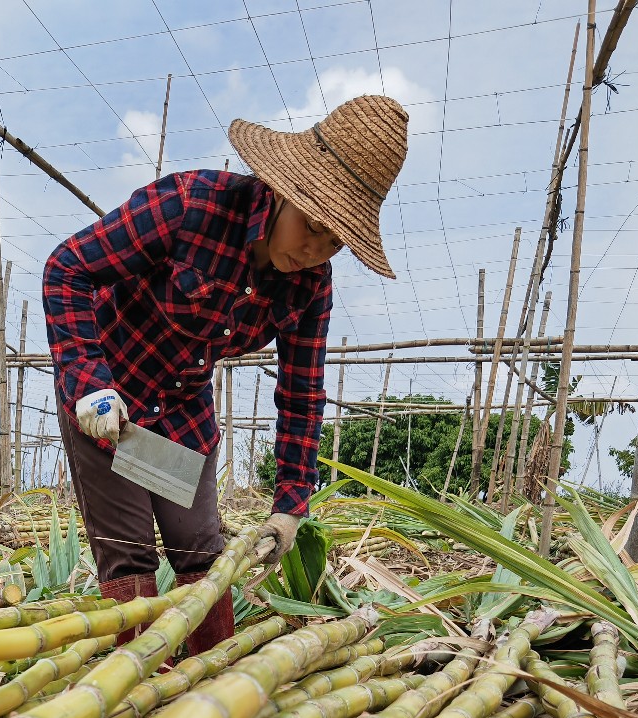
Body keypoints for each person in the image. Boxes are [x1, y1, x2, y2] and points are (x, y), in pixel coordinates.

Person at [43, 94, 409, 651]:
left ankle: (214, 677)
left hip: (180, 418)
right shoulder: (191, 206)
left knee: (199, 549)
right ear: (284, 192)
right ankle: (137, 697)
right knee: (131, 550)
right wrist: (89, 381)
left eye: (334, 240)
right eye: (312, 225)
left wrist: (291, 505)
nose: (314, 249)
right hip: (109, 408)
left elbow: (302, 395)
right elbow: (67, 268)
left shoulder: (310, 286)